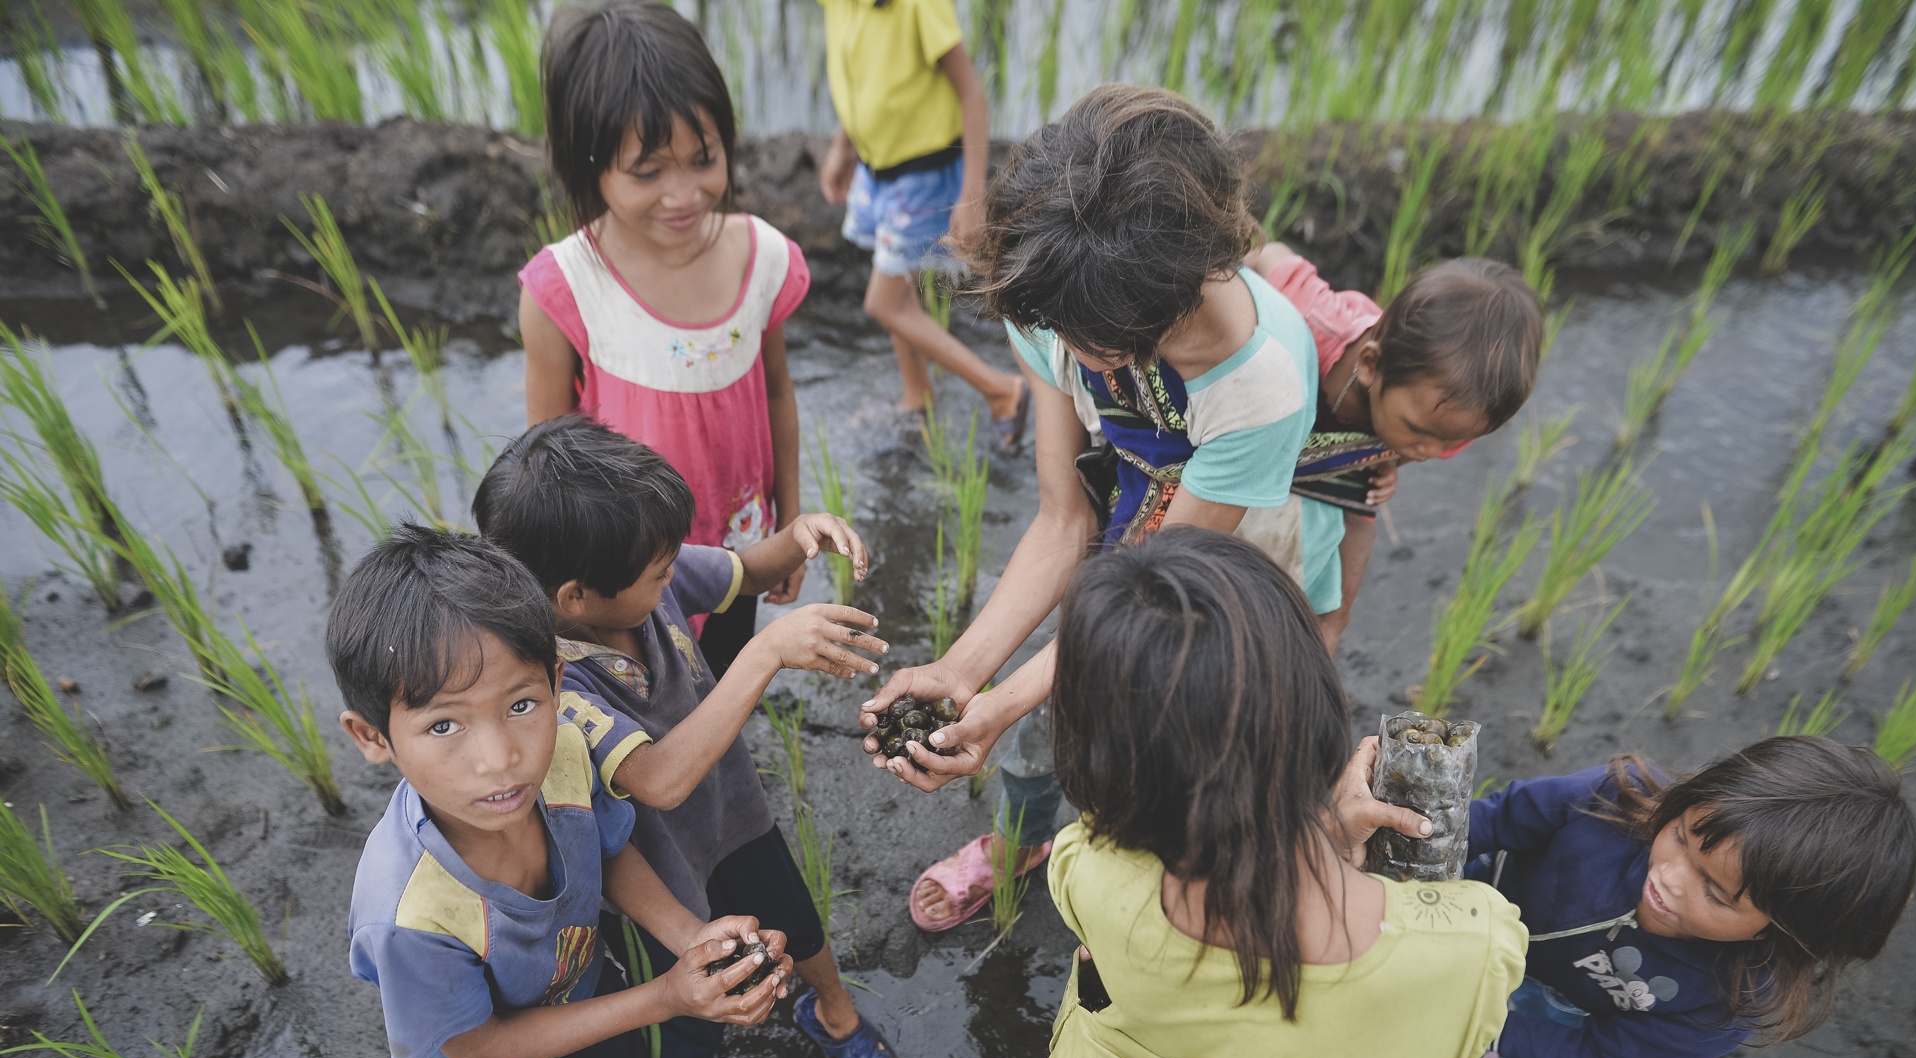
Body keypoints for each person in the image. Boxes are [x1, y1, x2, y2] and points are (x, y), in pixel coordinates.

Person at [990, 528, 1526, 1058]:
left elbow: (1118, 868)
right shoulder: (1474, 950)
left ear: (1096, 762)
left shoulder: (1089, 871)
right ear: (1316, 709)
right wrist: (1340, 850)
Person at [859, 85, 1326, 935]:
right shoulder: (1060, 290)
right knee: (1050, 718)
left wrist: (1002, 705)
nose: (1068, 350)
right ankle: (1026, 838)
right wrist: (964, 675)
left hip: (1223, 551)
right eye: (1056, 327)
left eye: (1094, 338)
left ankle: (1156, 878)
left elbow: (1150, 591)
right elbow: (1065, 520)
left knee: (1179, 728)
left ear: (1185, 287)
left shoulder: (1261, 389)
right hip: (1128, 507)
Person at [327, 525, 796, 1058]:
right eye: (444, 726)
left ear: (554, 679)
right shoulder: (409, 915)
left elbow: (602, 854)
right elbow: (479, 1046)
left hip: (574, 974)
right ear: (372, 737)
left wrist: (690, 936)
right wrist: (666, 994)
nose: (500, 760)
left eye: (521, 705)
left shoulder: (564, 754)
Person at [473, 416, 900, 1058]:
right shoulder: (554, 683)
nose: (673, 573)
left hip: (736, 815)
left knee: (795, 920)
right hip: (650, 865)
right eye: (659, 570)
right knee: (684, 975)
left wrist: (798, 538)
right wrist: (765, 653)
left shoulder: (646, 576)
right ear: (573, 598)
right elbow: (659, 781)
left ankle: (832, 1008)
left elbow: (744, 572)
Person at [1397, 736, 1916, 1058]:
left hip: (1550, 1010)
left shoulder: (1726, 1002)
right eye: (1679, 838)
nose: (1667, 879)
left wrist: (1482, 1024)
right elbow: (1499, 817)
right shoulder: (1617, 797)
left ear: (1783, 935)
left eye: (1714, 893)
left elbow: (1601, 1055)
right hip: (1479, 909)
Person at [520, 0, 811, 677]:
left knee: (721, 679)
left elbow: (777, 392)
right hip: (625, 572)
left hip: (741, 546)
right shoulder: (565, 289)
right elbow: (544, 472)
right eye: (647, 172)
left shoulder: (761, 258)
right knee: (646, 709)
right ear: (587, 164)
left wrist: (789, 530)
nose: (682, 194)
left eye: (702, 159)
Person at [1244, 243, 1543, 652]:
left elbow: (1362, 511)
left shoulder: (1429, 418)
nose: (1428, 452)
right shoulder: (1314, 321)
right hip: (1273, 403)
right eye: (1417, 433)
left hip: (1330, 457)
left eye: (1452, 443)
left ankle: (1333, 622)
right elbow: (1266, 252)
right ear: (1369, 365)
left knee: (1360, 510)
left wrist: (1388, 463)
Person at [817, 0, 1030, 440]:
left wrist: (972, 193)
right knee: (897, 286)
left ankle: (1002, 390)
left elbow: (971, 92)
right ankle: (918, 398)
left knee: (884, 301)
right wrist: (844, 145)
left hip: (924, 171)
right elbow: (858, 75)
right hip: (880, 170)